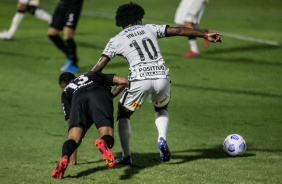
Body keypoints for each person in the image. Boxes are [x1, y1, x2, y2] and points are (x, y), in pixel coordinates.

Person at [91, 2, 222, 165]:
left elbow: (99, 66)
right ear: (138, 19)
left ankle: (126, 156)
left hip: (139, 80)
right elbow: (179, 30)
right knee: (161, 108)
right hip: (161, 77)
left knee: (123, 114)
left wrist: (85, 80)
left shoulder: (115, 40)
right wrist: (204, 35)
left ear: (121, 23)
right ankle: (161, 138)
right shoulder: (150, 28)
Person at [51, 71, 128, 179]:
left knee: (73, 138)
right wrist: (108, 97)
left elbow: (71, 123)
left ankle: (65, 156)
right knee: (107, 133)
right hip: (99, 94)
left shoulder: (66, 92)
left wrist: (73, 157)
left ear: (62, 87)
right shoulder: (92, 74)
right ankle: (104, 143)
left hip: (78, 99)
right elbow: (123, 81)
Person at [48, 0, 84, 73]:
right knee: (52, 33)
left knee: (67, 35)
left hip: (73, 6)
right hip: (62, 4)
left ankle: (74, 64)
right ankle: (70, 55)